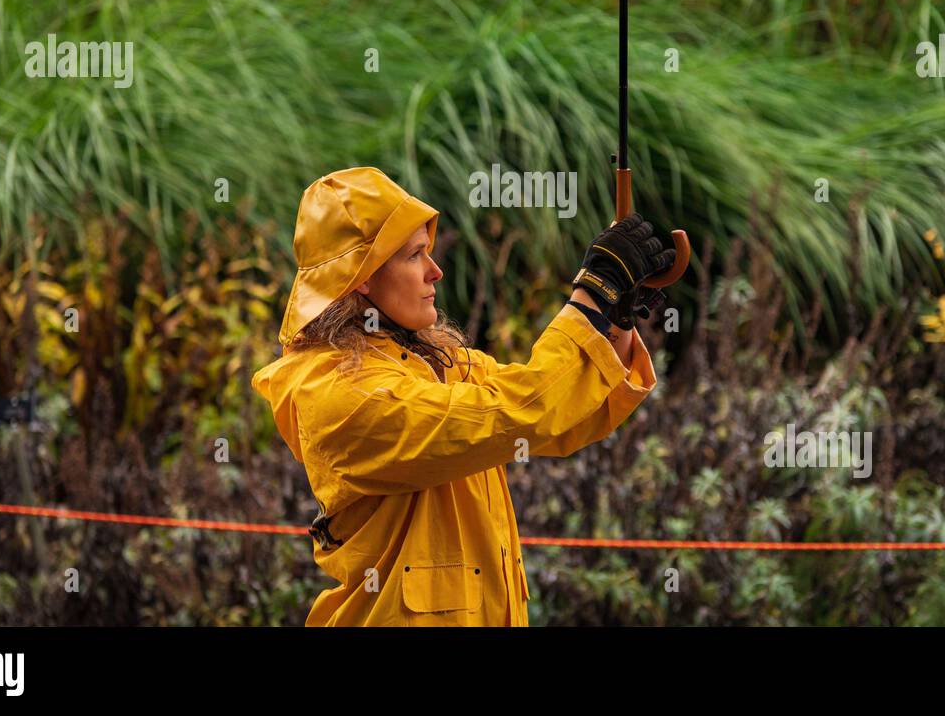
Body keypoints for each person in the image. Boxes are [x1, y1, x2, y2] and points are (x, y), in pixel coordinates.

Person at [251, 165, 674, 625]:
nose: (436, 271)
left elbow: (561, 415)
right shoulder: (341, 395)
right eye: (414, 256)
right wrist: (591, 296)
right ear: (363, 277)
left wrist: (614, 320)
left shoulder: (436, 363)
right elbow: (518, 411)